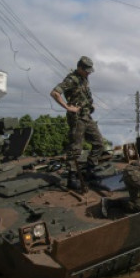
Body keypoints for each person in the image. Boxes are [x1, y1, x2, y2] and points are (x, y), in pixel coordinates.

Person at [51, 56, 106, 189]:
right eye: (86, 70)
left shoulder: (84, 78)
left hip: (86, 116)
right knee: (76, 148)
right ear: (79, 68)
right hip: (77, 118)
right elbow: (55, 93)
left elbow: (85, 94)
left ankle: (90, 170)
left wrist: (90, 105)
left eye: (89, 70)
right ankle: (72, 177)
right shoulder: (71, 79)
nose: (88, 72)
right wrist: (67, 107)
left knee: (99, 143)